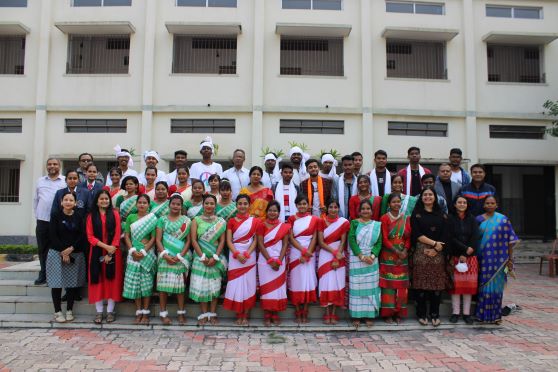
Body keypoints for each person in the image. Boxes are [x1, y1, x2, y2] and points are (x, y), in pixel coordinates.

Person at [475, 196, 519, 324]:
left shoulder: (503, 220)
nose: (489, 205)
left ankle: (496, 316)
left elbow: (510, 241)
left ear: (496, 205)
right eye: (487, 203)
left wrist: (510, 258)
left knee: (497, 289)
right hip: (483, 259)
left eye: (492, 203)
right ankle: (482, 316)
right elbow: (474, 239)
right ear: (484, 205)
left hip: (500, 261)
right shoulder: (478, 219)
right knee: (484, 287)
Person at [411, 186, 449, 327]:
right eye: (425, 195)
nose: (428, 197)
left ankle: (435, 314)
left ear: (435, 197)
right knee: (420, 285)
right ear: (421, 197)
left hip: (438, 253)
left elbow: (446, 234)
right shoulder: (416, 214)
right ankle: (421, 314)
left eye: (430, 194)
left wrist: (437, 249)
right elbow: (416, 234)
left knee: (436, 286)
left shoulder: (442, 215)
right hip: (421, 251)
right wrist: (434, 244)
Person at [47, 190, 86, 323]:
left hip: (74, 253)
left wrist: (71, 249)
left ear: (75, 203)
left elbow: (81, 235)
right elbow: (52, 235)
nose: (68, 202)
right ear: (61, 202)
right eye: (66, 200)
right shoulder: (55, 215)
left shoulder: (79, 217)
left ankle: (69, 310)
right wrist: (63, 251)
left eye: (71, 200)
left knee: (71, 284)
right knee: (56, 283)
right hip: (56, 253)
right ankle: (57, 311)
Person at [189, 194, 228, 325]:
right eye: (207, 203)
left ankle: (212, 314)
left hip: (215, 257)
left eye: (212, 203)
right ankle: (204, 313)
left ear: (215, 205)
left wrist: (215, 257)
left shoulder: (220, 221)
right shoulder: (196, 220)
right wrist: (202, 256)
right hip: (200, 257)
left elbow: (222, 241)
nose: (209, 206)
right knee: (202, 286)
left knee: (214, 286)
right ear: (203, 205)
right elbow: (193, 240)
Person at [85, 190, 122, 324]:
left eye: (106, 199)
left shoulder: (115, 214)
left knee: (111, 282)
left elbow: (117, 235)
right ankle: (99, 312)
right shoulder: (91, 216)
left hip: (113, 252)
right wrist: (106, 248)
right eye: (101, 199)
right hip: (96, 252)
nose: (104, 201)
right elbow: (90, 237)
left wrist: (110, 253)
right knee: (97, 281)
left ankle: (110, 312)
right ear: (96, 201)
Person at [223, 194, 260, 325]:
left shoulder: (255, 221)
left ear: (249, 205)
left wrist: (248, 253)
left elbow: (256, 240)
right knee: (236, 285)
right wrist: (237, 254)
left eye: (245, 203)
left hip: (249, 256)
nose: (242, 206)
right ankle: (239, 314)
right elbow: (228, 240)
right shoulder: (231, 221)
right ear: (236, 205)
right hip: (235, 256)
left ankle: (246, 315)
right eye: (240, 203)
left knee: (249, 285)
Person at [155, 194, 192, 326]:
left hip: (180, 257)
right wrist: (165, 255)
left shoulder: (187, 221)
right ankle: (163, 314)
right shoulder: (162, 220)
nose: (175, 206)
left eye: (178, 204)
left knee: (180, 287)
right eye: (173, 204)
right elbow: (158, 240)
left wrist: (180, 255)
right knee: (163, 288)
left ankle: (181, 313)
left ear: (182, 206)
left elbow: (188, 241)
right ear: (169, 205)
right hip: (165, 256)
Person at [122, 194, 157, 325]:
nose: (142, 205)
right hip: (132, 254)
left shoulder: (152, 218)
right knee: (135, 285)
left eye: (144, 203)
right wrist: (132, 250)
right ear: (136, 204)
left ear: (149, 205)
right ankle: (138, 311)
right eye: (140, 202)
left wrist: (143, 251)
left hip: (147, 254)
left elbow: (153, 238)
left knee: (146, 285)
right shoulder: (131, 217)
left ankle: (146, 313)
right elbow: (126, 236)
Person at [348, 199, 382, 328]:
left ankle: (369, 315)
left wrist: (372, 256)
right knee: (356, 288)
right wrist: (361, 255)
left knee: (371, 289)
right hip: (357, 259)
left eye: (368, 209)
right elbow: (351, 239)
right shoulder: (355, 223)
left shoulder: (377, 225)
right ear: (359, 211)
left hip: (372, 261)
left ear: (372, 211)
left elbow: (379, 242)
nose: (365, 211)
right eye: (363, 209)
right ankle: (356, 316)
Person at [257, 201, 291, 326]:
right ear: (266, 212)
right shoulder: (261, 225)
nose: (272, 213)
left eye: (275, 211)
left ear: (279, 212)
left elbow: (285, 244)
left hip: (279, 260)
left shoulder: (284, 227)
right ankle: (267, 314)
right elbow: (260, 244)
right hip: (264, 261)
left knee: (277, 288)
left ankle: (275, 313)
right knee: (266, 289)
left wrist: (279, 260)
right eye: (270, 210)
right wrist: (270, 260)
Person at [379, 193, 411, 324]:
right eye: (394, 202)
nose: (396, 204)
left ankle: (399, 313)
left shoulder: (406, 218)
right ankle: (388, 314)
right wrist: (397, 251)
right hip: (388, 256)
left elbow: (409, 237)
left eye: (399, 202)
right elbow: (385, 239)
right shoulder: (384, 218)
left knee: (401, 288)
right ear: (389, 204)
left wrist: (404, 251)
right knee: (388, 287)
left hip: (402, 257)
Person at [33, 158, 66, 285]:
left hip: (58, 221)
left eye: (55, 164)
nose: (52, 166)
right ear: (46, 166)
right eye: (50, 164)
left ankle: (57, 275)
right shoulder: (40, 181)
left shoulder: (64, 181)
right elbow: (35, 200)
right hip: (42, 220)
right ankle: (43, 273)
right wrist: (37, 215)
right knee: (43, 248)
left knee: (58, 248)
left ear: (59, 166)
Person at [287, 195, 320, 324]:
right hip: (296, 253)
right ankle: (297, 311)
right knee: (296, 281)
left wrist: (308, 253)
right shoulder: (291, 219)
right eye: (300, 204)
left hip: (309, 254)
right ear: (296, 205)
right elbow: (291, 237)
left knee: (307, 281)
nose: (302, 206)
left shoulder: (314, 219)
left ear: (308, 205)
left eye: (304, 204)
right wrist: (302, 250)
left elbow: (315, 238)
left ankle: (305, 311)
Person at [448, 195, 479, 325]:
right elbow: (450, 237)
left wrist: (467, 252)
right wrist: (463, 250)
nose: (462, 204)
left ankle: (466, 314)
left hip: (470, 257)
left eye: (464, 202)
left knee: (468, 286)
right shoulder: (449, 218)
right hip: (455, 256)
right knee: (456, 286)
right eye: (459, 202)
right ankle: (455, 313)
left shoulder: (472, 219)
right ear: (454, 204)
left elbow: (475, 236)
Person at [317, 200, 350, 325]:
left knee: (337, 282)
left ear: (338, 209)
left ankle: (334, 312)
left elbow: (343, 241)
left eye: (335, 207)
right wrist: (334, 253)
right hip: (325, 255)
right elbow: (321, 242)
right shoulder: (321, 221)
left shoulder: (343, 223)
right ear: (327, 209)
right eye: (330, 207)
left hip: (339, 254)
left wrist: (337, 257)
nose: (333, 209)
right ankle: (326, 313)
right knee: (326, 283)